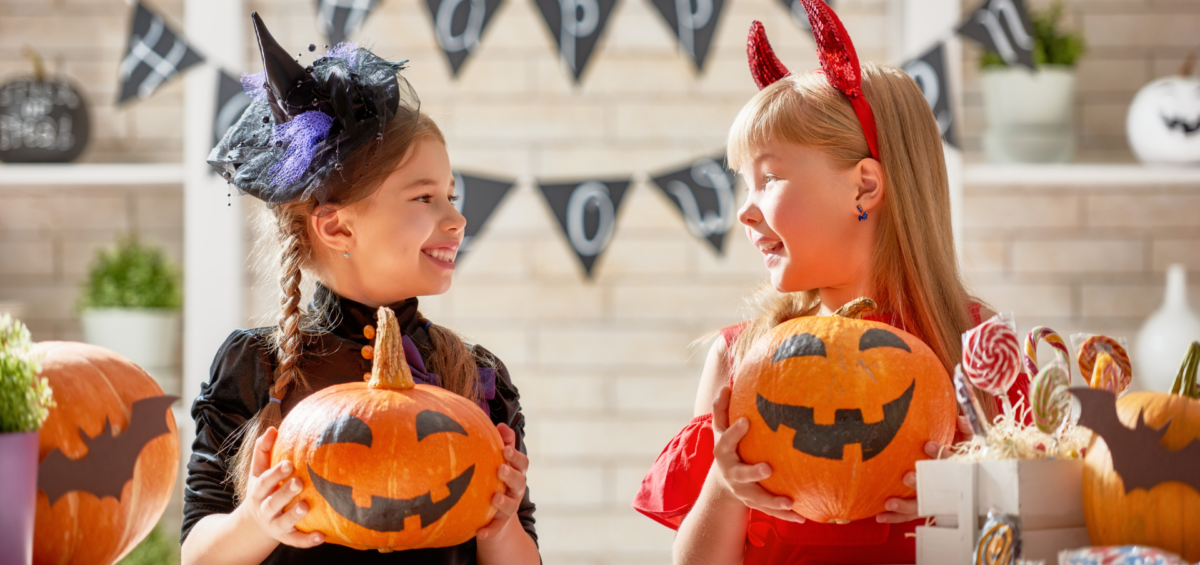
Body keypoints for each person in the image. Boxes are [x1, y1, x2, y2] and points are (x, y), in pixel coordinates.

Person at [631, 3, 1026, 563]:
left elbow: (1053, 534)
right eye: (744, 184)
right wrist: (725, 484)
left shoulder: (982, 352)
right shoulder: (741, 360)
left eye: (768, 178)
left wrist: (969, 496)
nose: (745, 211)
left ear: (864, 187)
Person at [180, 14, 540, 565]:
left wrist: (500, 524)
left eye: (452, 195)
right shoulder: (254, 364)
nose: (456, 219)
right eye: (425, 199)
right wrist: (255, 520)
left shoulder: (475, 375)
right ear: (337, 226)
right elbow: (197, 556)